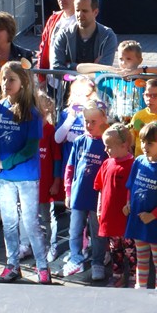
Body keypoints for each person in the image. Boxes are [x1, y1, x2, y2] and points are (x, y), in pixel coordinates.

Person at [0, 62, 50, 284]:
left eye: (11, 79)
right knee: (9, 222)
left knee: (31, 223)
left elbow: (30, 149)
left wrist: (5, 162)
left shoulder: (32, 113)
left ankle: (42, 267)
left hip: (26, 177)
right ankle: (12, 265)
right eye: (4, 79)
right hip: (5, 177)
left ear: (23, 82)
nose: (6, 83)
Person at [62, 101, 110, 281]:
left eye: (93, 121)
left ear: (104, 120)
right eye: (86, 121)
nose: (89, 125)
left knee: (97, 233)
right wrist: (68, 191)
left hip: (97, 198)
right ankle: (75, 257)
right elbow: (70, 168)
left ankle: (98, 262)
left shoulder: (107, 143)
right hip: (78, 195)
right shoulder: (80, 141)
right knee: (74, 230)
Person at [124, 121, 157, 289]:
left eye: (150, 143)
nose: (145, 146)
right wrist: (128, 203)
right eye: (143, 141)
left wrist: (153, 215)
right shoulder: (138, 161)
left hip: (155, 224)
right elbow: (131, 186)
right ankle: (141, 289)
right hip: (137, 220)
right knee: (142, 258)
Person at [94, 124, 135, 287]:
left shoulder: (134, 164)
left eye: (109, 146)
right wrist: (99, 208)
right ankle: (117, 275)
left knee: (131, 251)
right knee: (114, 249)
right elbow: (100, 187)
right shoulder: (106, 163)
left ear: (124, 145)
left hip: (127, 220)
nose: (105, 150)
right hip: (111, 217)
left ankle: (134, 277)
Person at [77, 40, 146, 123]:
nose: (123, 63)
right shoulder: (111, 77)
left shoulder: (145, 77)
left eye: (128, 59)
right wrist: (109, 68)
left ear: (139, 60)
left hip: (139, 122)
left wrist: (141, 70)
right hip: (117, 122)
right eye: (121, 59)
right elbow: (80, 69)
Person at [50, 0, 117, 72]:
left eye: (84, 11)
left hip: (96, 81)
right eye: (77, 10)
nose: (80, 14)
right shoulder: (64, 35)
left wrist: (69, 65)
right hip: (69, 80)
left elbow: (104, 69)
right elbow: (56, 68)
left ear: (95, 12)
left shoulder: (108, 36)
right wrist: (93, 67)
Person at [36, 0, 81, 89]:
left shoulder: (82, 21)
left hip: (73, 82)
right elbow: (43, 48)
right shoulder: (53, 19)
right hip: (51, 81)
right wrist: (41, 76)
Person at [35, 89, 63, 262]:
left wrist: (56, 181)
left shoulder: (51, 131)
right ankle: (36, 245)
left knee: (47, 217)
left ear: (46, 109)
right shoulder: (30, 129)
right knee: (31, 218)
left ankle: (51, 245)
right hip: (31, 183)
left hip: (46, 184)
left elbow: (57, 158)